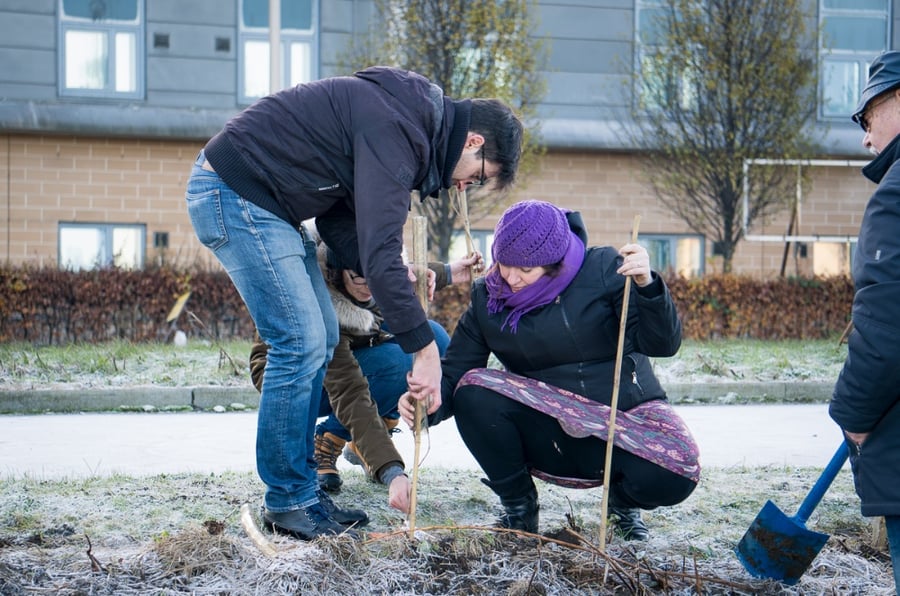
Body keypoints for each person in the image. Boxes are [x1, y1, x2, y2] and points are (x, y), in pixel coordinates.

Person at [184, 66, 524, 541]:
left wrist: (396, 274)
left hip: (268, 206)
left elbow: (343, 227)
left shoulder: (405, 125)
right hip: (236, 193)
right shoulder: (400, 130)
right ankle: (287, 501)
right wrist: (425, 352)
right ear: (471, 142)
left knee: (320, 338)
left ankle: (301, 493)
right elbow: (377, 249)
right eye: (478, 176)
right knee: (299, 342)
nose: (466, 186)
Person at [399, 200, 700, 540]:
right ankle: (519, 507)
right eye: (504, 264)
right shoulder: (488, 299)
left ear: (554, 263)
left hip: (620, 421)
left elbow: (662, 345)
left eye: (524, 269)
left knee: (678, 470)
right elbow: (455, 375)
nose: (510, 278)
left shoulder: (604, 270)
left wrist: (648, 287)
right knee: (472, 390)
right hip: (547, 428)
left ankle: (621, 503)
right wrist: (426, 404)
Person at [248, 242, 482, 514]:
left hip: (353, 348)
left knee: (434, 339)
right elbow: (350, 393)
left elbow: (401, 274)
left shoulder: (372, 275)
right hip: (296, 377)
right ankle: (328, 438)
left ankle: (367, 438)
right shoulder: (321, 306)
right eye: (358, 277)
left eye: (377, 276)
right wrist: (392, 471)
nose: (369, 285)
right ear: (337, 272)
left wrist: (450, 272)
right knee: (397, 365)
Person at [831, 49, 900, 590]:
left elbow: (887, 322)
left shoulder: (896, 193)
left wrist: (853, 414)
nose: (865, 137)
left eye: (867, 116)